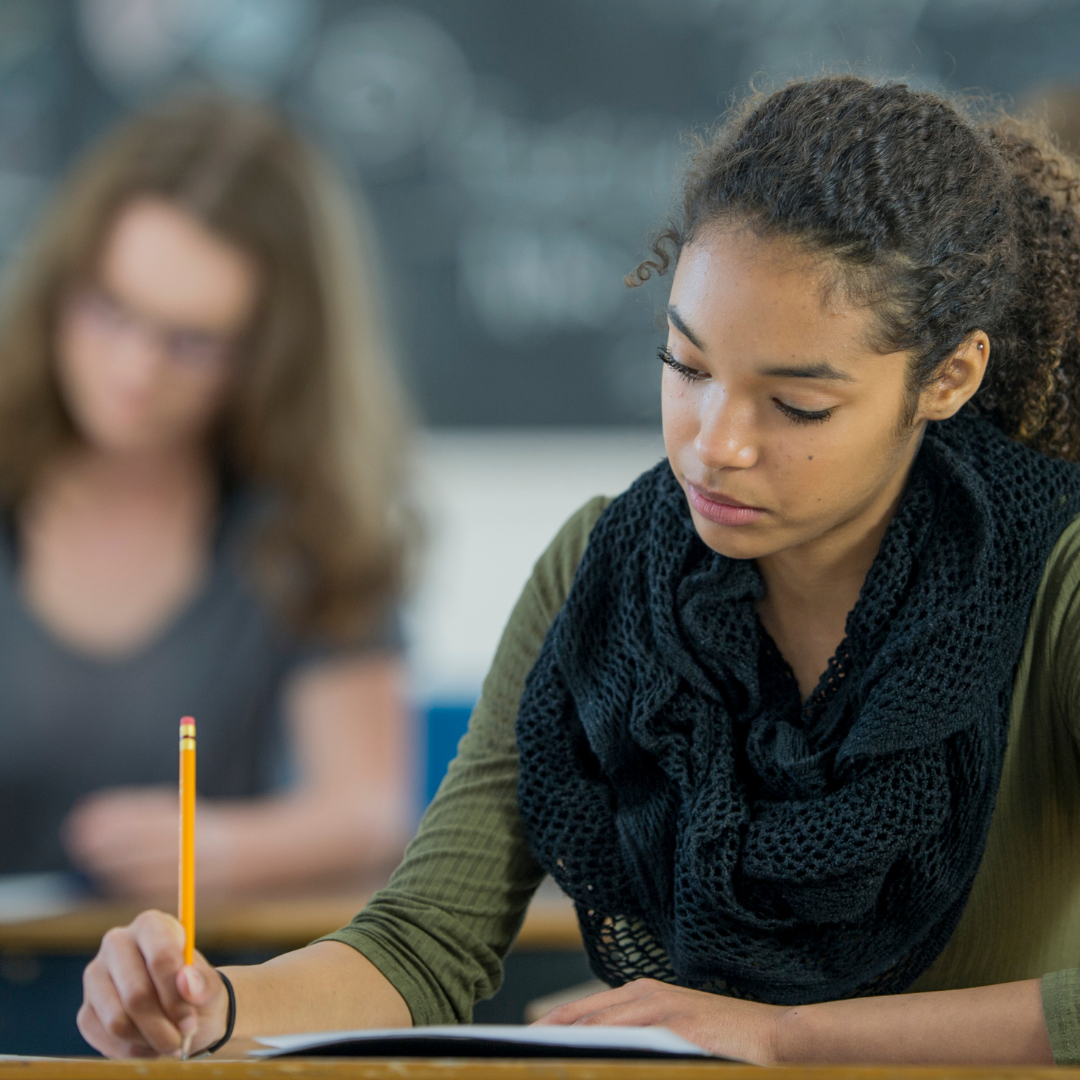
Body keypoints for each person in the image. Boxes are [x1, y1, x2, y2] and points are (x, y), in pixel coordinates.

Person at [78, 76, 1080, 1064]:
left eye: (798, 406)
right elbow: (421, 943)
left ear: (947, 378)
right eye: (686, 367)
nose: (714, 443)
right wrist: (208, 1005)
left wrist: (786, 1039)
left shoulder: (1058, 581)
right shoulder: (598, 572)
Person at [0, 94, 415, 901]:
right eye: (107, 310)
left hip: (196, 999)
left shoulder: (306, 528)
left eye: (191, 343)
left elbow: (370, 814)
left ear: (270, 355)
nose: (133, 370)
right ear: (59, 282)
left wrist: (225, 849)